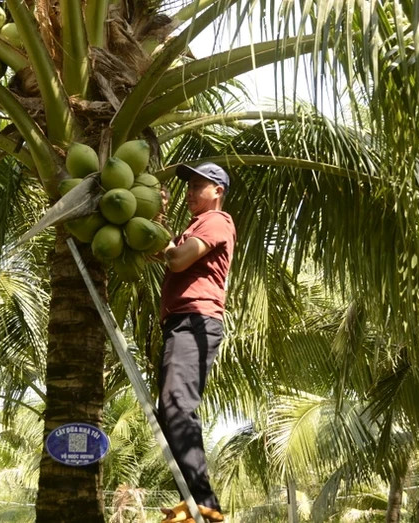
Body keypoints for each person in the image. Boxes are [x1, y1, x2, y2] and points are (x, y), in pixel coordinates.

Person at [157, 162, 236, 523]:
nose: (189, 192)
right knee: (168, 411)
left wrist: (161, 234)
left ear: (217, 191)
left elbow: (177, 259)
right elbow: (165, 251)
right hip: (181, 322)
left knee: (176, 406)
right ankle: (193, 503)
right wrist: (156, 222)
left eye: (197, 186)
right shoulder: (194, 227)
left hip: (195, 321)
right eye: (187, 186)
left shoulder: (216, 221)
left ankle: (205, 504)